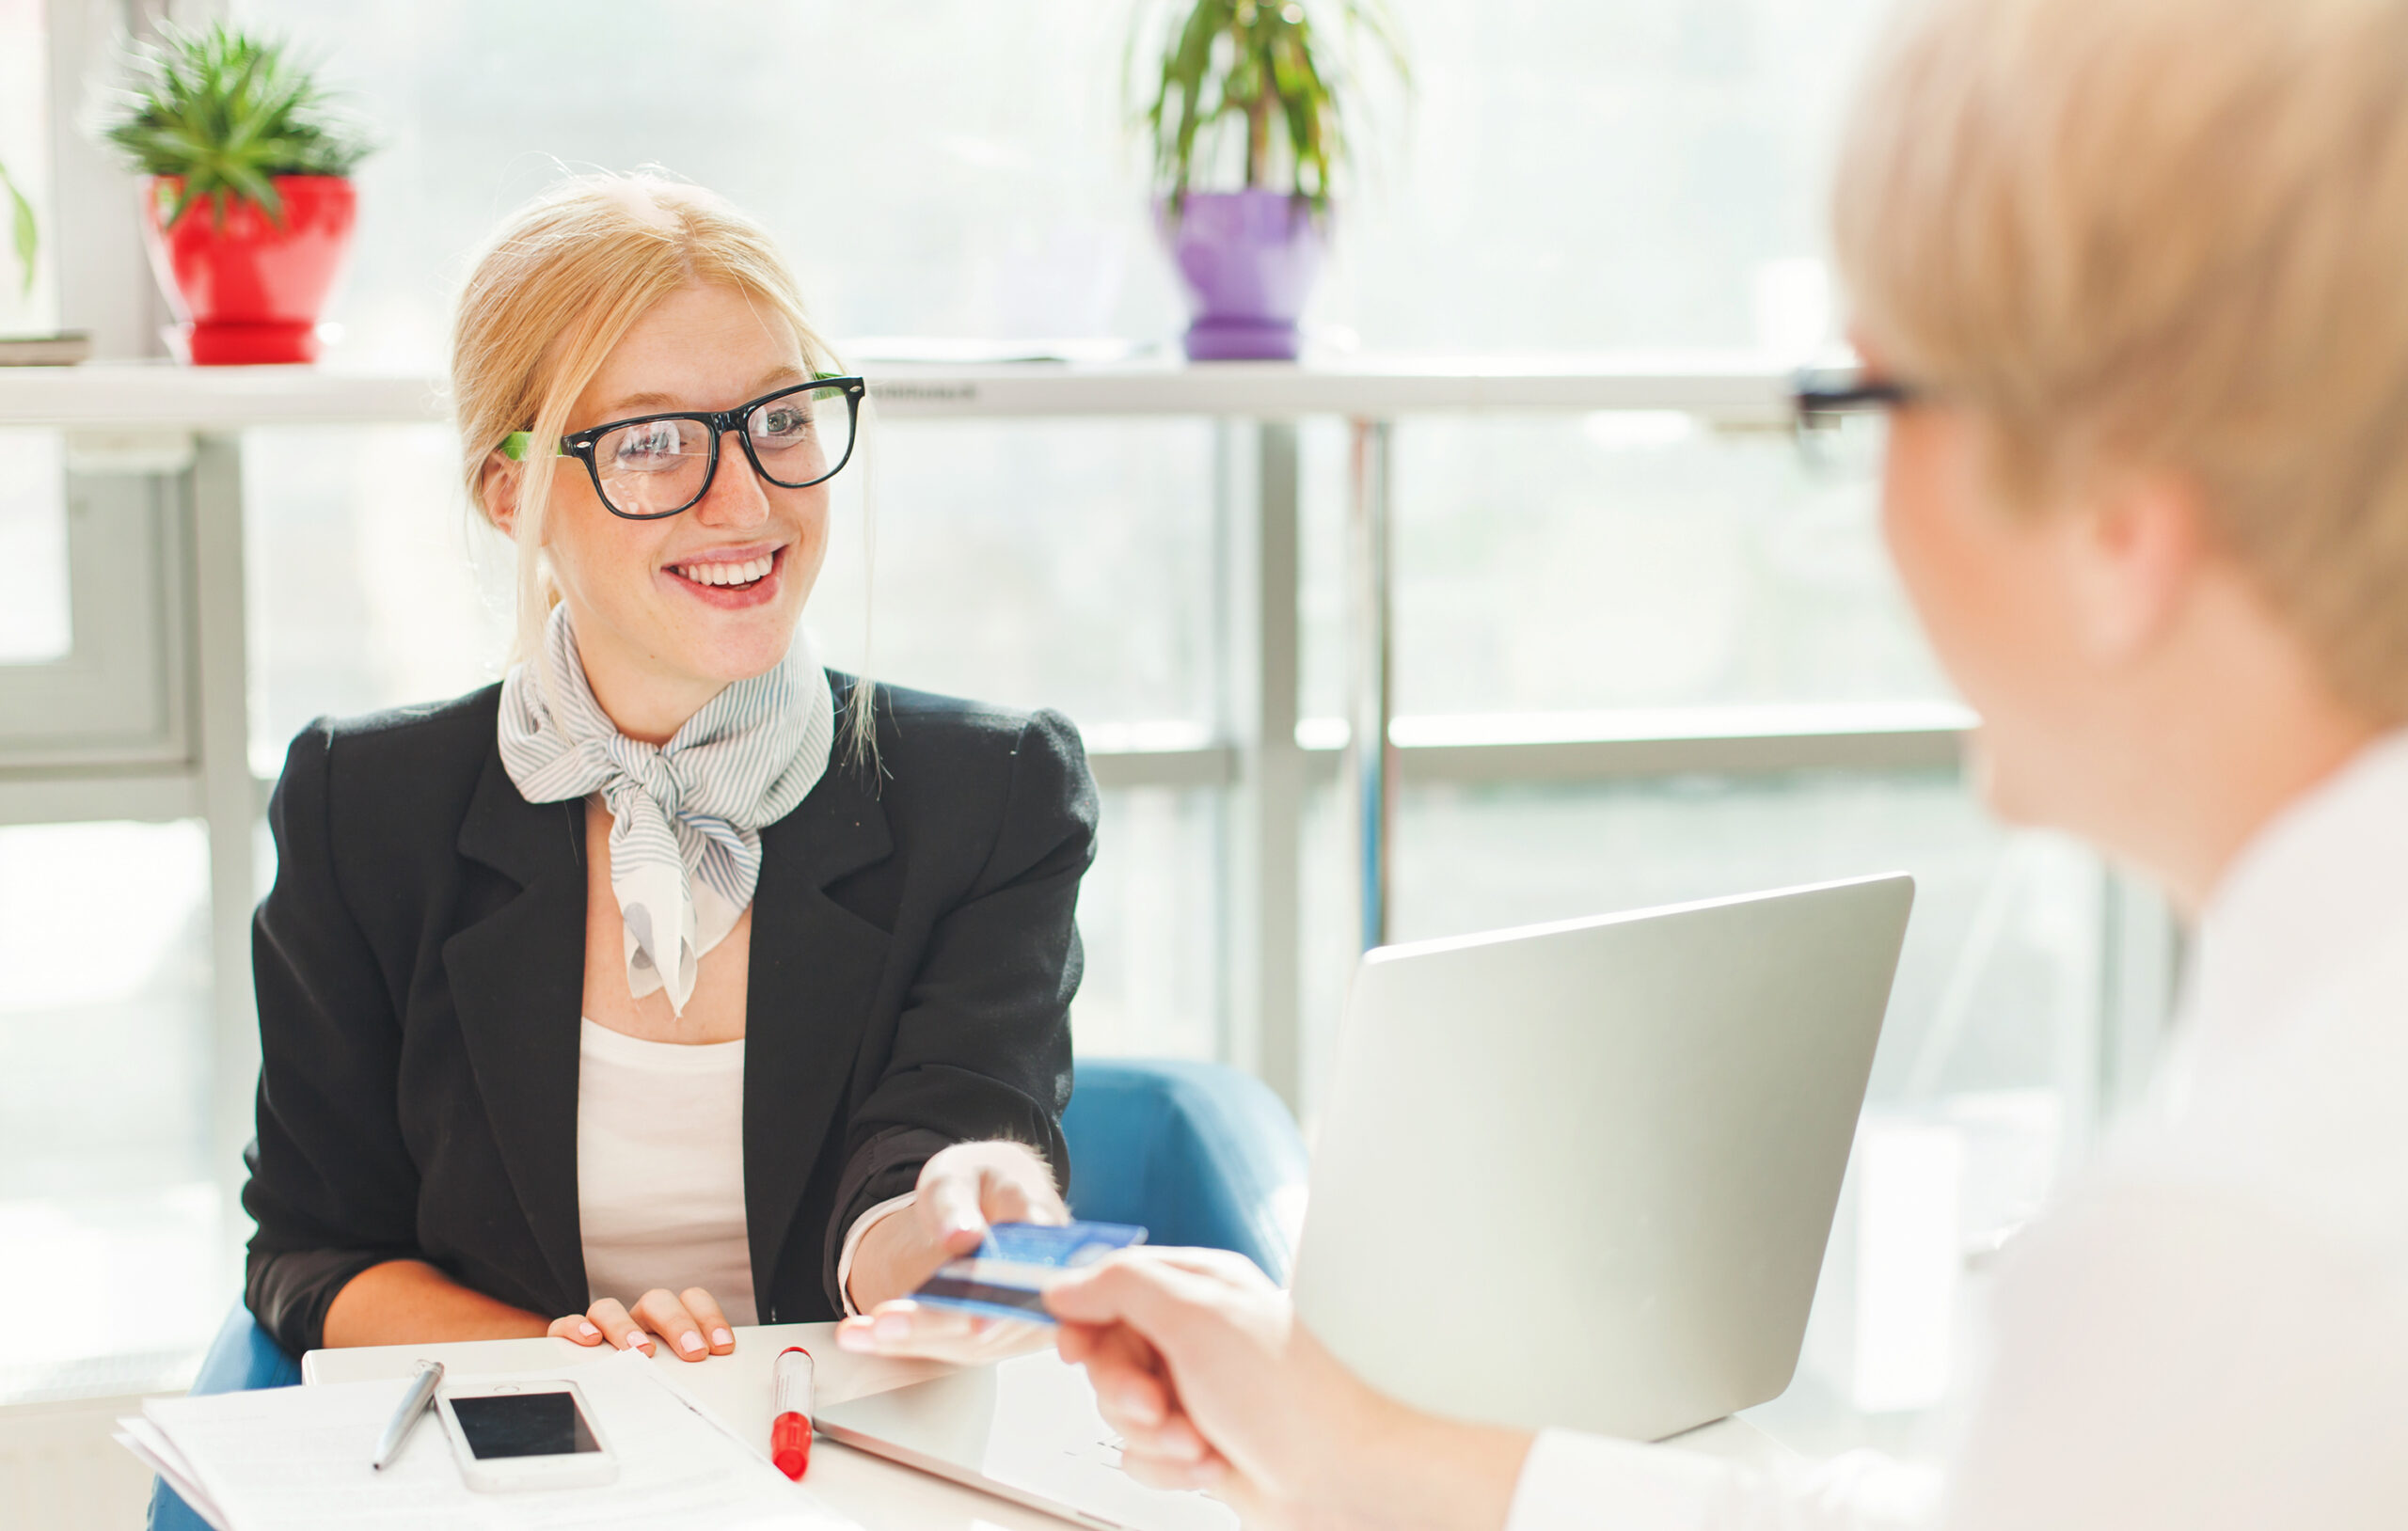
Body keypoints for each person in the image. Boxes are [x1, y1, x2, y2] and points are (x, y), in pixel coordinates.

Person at [851, 0, 2408, 1523]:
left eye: (1859, 401)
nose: (1866, 509)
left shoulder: (2239, 1252)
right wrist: (1373, 1448)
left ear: (2117, 519)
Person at [241, 175, 1095, 1365]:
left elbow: (933, 1142)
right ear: (510, 493)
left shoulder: (995, 795)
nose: (747, 501)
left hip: (849, 1459)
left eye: (782, 418)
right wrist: (576, 1366)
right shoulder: (363, 808)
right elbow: (312, 1250)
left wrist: (951, 1226)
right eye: (651, 442)